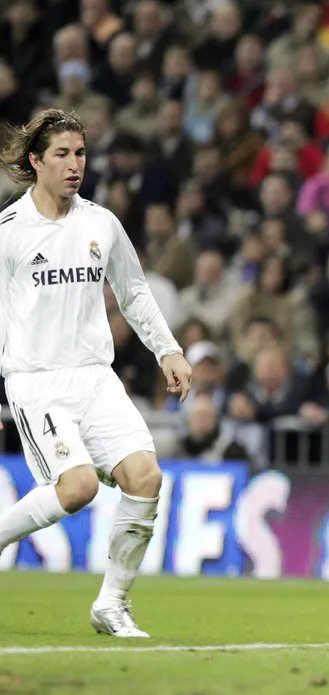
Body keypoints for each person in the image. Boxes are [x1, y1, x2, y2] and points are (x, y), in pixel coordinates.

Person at [0, 109, 192, 638]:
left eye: (80, 153)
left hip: (95, 377)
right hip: (37, 381)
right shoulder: (9, 232)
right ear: (35, 161)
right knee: (79, 487)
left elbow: (132, 292)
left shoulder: (100, 223)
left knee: (146, 478)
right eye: (61, 154)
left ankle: (112, 604)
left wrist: (168, 350)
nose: (73, 164)